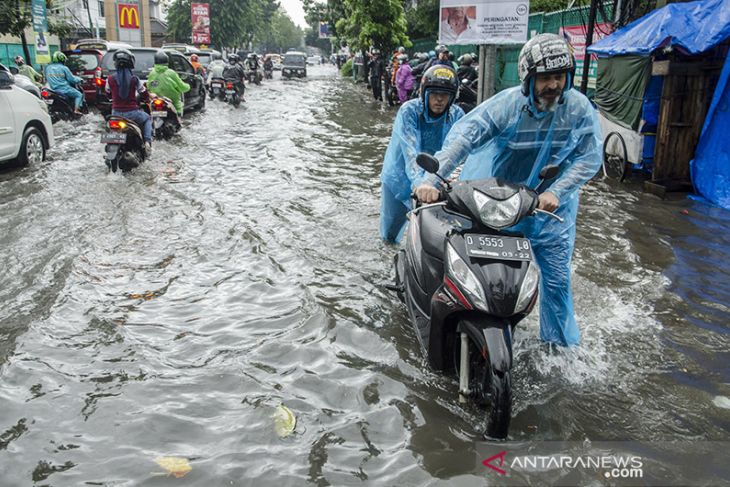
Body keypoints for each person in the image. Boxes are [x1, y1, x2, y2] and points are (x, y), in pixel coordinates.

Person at [413, 34, 603, 346]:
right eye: (545, 78)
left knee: (557, 283)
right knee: (486, 277)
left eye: (559, 77)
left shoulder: (580, 109)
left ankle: (559, 348)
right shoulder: (508, 106)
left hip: (549, 210)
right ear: (529, 79)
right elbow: (465, 139)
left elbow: (589, 157)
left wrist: (559, 190)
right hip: (499, 205)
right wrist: (432, 181)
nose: (553, 85)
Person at [379, 65, 465, 243]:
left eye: (445, 95)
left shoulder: (457, 115)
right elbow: (411, 151)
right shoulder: (409, 111)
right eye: (434, 94)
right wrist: (422, 184)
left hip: (437, 178)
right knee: (390, 235)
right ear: (424, 93)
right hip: (399, 178)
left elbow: (460, 149)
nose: (439, 100)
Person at [104, 49, 153, 155]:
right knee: (147, 119)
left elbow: (107, 94)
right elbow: (143, 93)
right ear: (131, 62)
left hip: (115, 114)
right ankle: (148, 142)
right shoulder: (134, 79)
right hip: (132, 114)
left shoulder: (110, 79)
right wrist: (147, 99)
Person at [147, 50, 190, 117]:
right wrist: (187, 86)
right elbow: (181, 86)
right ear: (167, 61)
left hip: (156, 99)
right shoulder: (171, 73)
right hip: (172, 100)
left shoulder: (152, 73)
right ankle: (178, 121)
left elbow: (148, 86)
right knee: (178, 107)